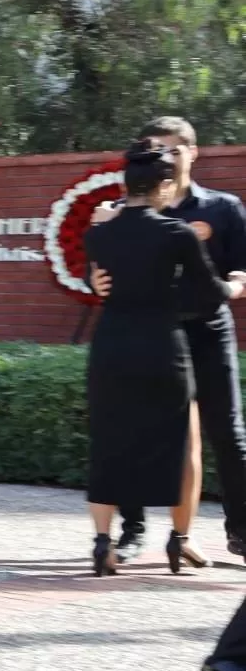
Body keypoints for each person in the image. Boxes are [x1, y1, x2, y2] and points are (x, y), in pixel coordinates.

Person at [82, 144, 238, 576]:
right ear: (165, 186)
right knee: (184, 444)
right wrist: (237, 286)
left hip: (111, 348)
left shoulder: (98, 234)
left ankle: (102, 544)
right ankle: (178, 541)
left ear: (124, 185)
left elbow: (100, 281)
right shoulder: (178, 234)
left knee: (108, 443)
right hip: (162, 348)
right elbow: (209, 292)